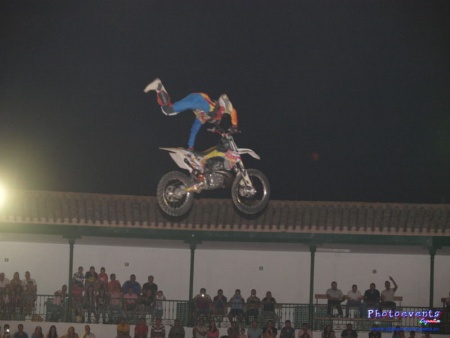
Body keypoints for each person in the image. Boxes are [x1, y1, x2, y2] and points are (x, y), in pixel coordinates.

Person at [144, 78, 238, 150]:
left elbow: (194, 130)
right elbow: (230, 107)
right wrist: (234, 124)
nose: (210, 119)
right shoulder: (213, 108)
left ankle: (159, 88)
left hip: (194, 99)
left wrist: (191, 147)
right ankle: (159, 86)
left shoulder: (201, 118)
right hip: (198, 99)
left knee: (167, 110)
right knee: (169, 110)